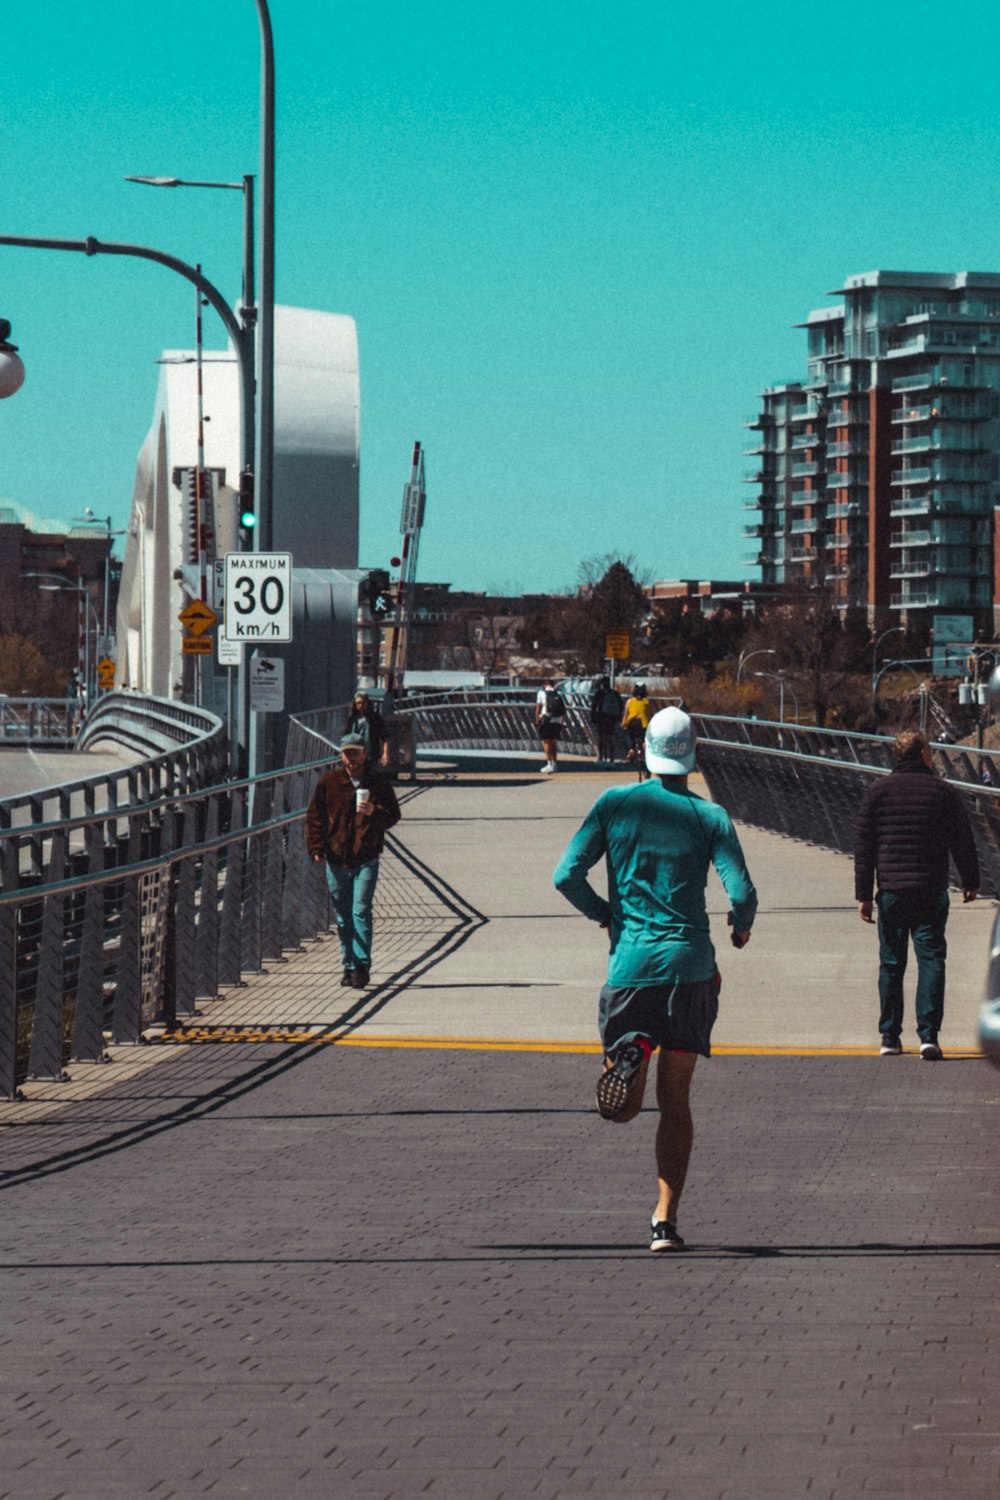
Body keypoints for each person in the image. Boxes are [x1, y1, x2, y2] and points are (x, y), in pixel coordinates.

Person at [553, 705, 757, 1253]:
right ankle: (664, 1222)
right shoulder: (710, 817)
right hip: (691, 971)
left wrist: (605, 915)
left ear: (642, 751)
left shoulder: (614, 804)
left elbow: (565, 874)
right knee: (677, 1102)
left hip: (632, 969)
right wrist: (740, 929)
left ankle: (634, 1047)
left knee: (621, 1111)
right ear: (693, 754)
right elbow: (741, 893)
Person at [854, 729, 979, 1060]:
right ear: (924, 754)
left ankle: (889, 1036)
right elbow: (962, 840)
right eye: (930, 750)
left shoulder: (877, 793)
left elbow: (865, 848)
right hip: (929, 888)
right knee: (932, 959)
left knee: (892, 963)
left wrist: (864, 894)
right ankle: (929, 1036)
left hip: (892, 890)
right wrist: (971, 880)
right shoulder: (943, 792)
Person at [305, 732, 401, 989]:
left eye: (356, 753)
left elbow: (393, 815)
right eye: (347, 753)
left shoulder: (377, 782)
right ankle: (347, 964)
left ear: (365, 754)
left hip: (366, 857)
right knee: (343, 916)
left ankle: (361, 966)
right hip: (336, 859)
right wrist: (316, 847)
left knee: (360, 910)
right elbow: (315, 817)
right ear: (341, 755)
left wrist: (375, 812)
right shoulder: (330, 783)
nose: (351, 759)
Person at [343, 690, 388, 769]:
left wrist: (385, 753)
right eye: (358, 703)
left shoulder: (375, 718)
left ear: (367, 703)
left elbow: (385, 737)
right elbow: (346, 737)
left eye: (363, 703)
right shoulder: (352, 719)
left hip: (371, 755)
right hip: (355, 755)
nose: (360, 705)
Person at [535, 678, 566, 774]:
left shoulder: (541, 693)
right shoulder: (558, 693)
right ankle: (555, 764)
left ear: (544, 685)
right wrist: (562, 721)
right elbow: (564, 709)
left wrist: (537, 720)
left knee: (547, 742)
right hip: (557, 719)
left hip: (546, 719)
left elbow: (538, 709)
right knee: (554, 742)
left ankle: (549, 764)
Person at [589, 675, 622, 767]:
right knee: (610, 738)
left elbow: (594, 706)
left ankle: (601, 758)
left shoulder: (599, 693)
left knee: (601, 738)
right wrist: (618, 717)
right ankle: (611, 759)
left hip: (601, 717)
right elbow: (620, 706)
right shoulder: (614, 693)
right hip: (611, 718)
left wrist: (592, 717)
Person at [621, 683, 653, 766]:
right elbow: (650, 715)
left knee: (629, 735)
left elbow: (626, 714)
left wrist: (623, 723)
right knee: (645, 739)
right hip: (644, 725)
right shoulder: (647, 702)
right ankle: (645, 750)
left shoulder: (629, 701)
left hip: (632, 723)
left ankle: (631, 749)